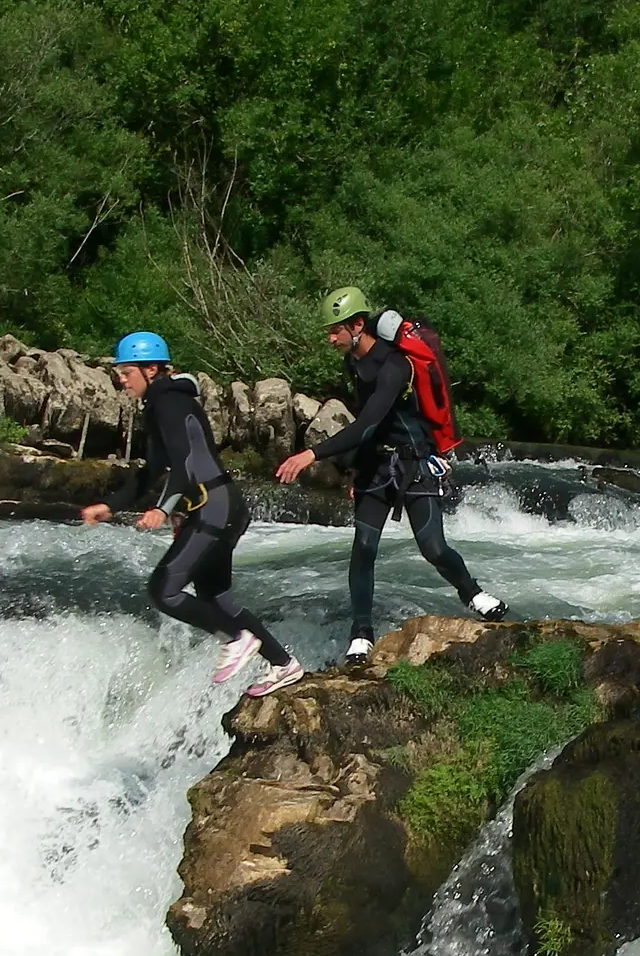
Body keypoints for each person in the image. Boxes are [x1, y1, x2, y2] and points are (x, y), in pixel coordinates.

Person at [276, 288, 506, 662]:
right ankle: (361, 633)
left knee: (433, 548)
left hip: (416, 464)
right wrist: (354, 467)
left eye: (335, 330)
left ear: (357, 325)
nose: (330, 338)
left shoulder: (395, 366)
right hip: (376, 466)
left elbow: (367, 423)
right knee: (364, 548)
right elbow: (370, 427)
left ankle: (474, 594)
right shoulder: (354, 364)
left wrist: (310, 454)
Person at [80, 332, 302, 696]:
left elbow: (183, 464)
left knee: (162, 589)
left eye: (125, 371)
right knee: (217, 598)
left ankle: (236, 638)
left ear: (150, 369)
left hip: (214, 507)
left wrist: (162, 509)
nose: (120, 378)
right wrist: (111, 506)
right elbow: (150, 471)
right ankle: (284, 664)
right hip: (217, 507)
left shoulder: (167, 402)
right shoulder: (161, 403)